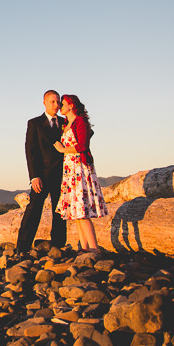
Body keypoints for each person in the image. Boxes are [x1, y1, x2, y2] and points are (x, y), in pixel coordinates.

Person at [54, 94, 108, 253]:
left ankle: (94, 248)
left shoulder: (80, 121)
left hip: (80, 168)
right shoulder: (67, 124)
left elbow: (83, 145)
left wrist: (63, 149)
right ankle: (84, 248)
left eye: (63, 104)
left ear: (71, 105)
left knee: (83, 212)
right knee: (77, 212)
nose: (60, 106)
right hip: (70, 168)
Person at [15, 89, 68, 252]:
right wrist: (34, 176)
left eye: (58, 102)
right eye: (52, 101)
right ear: (44, 102)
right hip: (42, 176)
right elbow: (30, 151)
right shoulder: (34, 123)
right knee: (33, 210)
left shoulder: (65, 122)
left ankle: (58, 246)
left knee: (60, 212)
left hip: (62, 175)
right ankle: (22, 248)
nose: (56, 104)